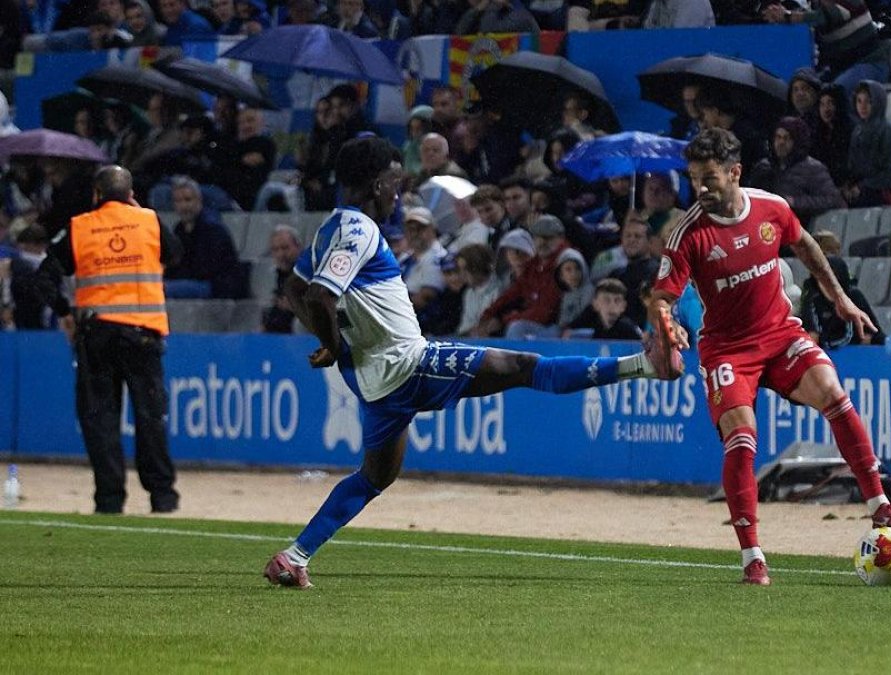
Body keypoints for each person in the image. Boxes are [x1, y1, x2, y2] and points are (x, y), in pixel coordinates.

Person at [262, 137, 682, 589]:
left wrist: (335, 346)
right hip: (409, 363)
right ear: (377, 182)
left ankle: (295, 555)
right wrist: (329, 342)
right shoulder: (360, 229)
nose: (398, 196)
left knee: (375, 474)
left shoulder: (331, 227)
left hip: (376, 379)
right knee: (524, 367)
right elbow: (321, 296)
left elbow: (295, 289)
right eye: (395, 185)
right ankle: (644, 365)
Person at [649, 128, 891, 586]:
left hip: (778, 332)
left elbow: (807, 247)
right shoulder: (687, 235)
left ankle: (879, 504)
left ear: (735, 172)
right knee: (743, 436)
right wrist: (666, 327)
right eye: (694, 179)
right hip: (728, 347)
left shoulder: (772, 207)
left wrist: (841, 300)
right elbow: (660, 297)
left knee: (833, 391)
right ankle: (753, 557)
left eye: (709, 178)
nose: (700, 188)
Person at [48, 165, 182, 514]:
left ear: (96, 194)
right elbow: (176, 253)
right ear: (130, 193)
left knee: (100, 418)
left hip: (96, 334)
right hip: (143, 335)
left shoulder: (80, 227)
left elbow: (42, 279)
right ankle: (163, 497)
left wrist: (65, 311)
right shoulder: (150, 221)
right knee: (150, 415)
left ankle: (109, 499)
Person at [565, 278, 642, 340]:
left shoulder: (630, 331)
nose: (612, 305)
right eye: (606, 300)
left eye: (617, 300)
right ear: (595, 304)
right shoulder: (593, 325)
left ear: (623, 306)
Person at [262, 225, 303, 333]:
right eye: (275, 250)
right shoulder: (277, 275)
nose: (281, 254)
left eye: (285, 248)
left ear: (298, 247)